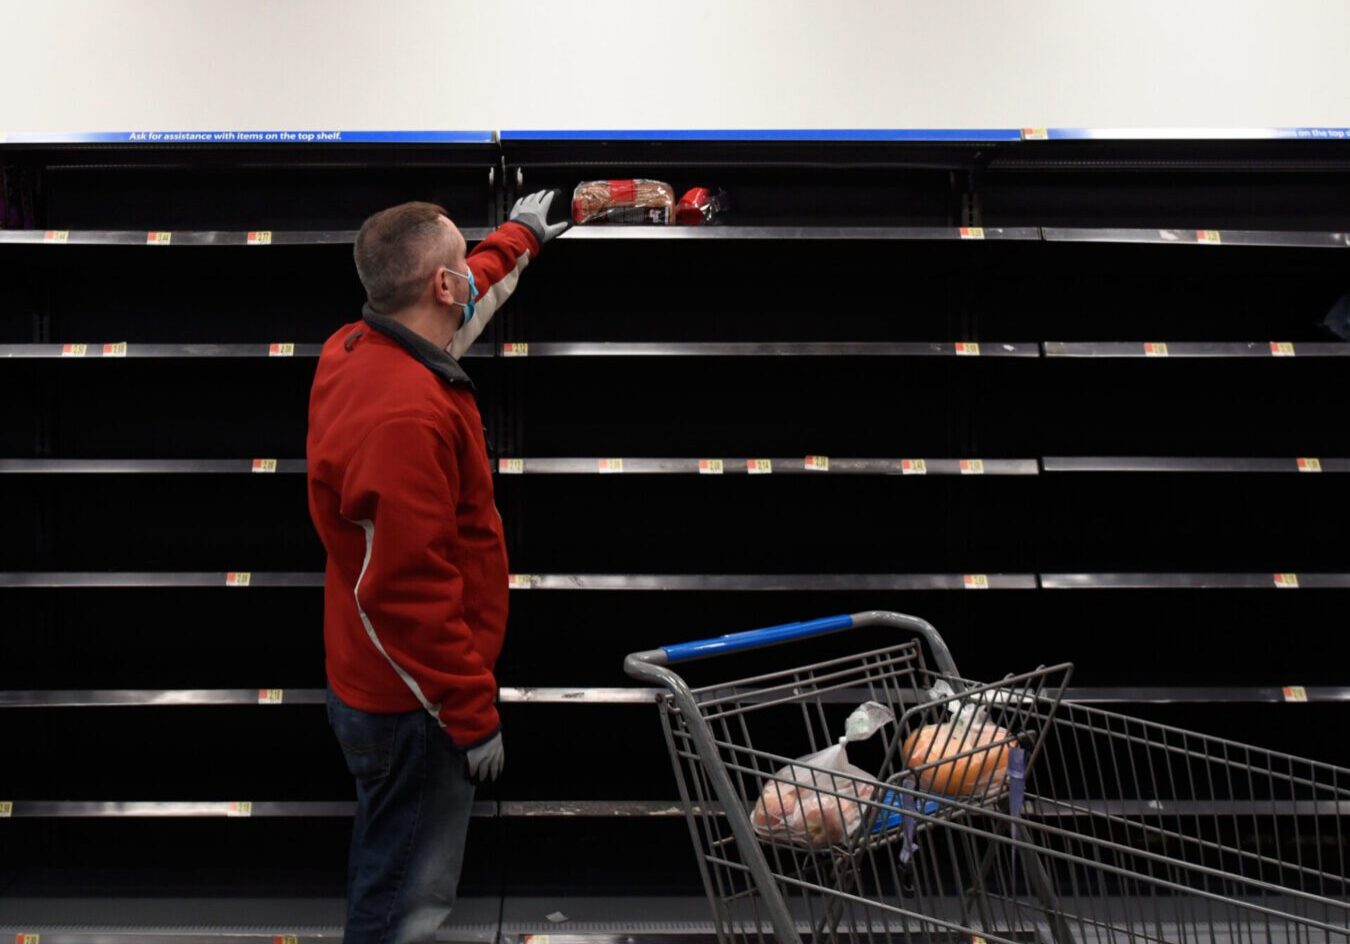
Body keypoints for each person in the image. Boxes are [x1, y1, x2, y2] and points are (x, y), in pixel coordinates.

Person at [306, 191, 568, 943]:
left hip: (377, 682)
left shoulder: (358, 347)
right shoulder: (407, 417)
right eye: (460, 266)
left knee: (385, 863)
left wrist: (518, 237)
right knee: (403, 905)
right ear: (440, 287)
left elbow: (468, 299)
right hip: (414, 706)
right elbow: (405, 593)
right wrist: (469, 713)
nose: (468, 280)